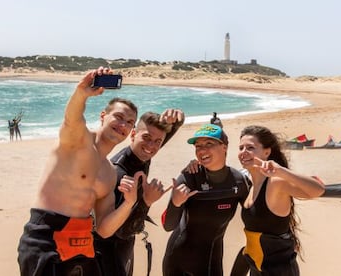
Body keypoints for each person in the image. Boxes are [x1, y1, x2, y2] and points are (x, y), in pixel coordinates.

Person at [17, 67, 139, 276]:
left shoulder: (109, 173)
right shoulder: (78, 140)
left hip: (82, 241)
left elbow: (103, 228)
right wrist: (81, 93)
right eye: (118, 117)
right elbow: (71, 119)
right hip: (45, 237)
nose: (123, 125)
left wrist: (128, 204)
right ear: (103, 116)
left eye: (129, 122)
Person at [94, 108, 185, 276]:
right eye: (147, 138)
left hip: (123, 250)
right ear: (133, 134)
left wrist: (177, 119)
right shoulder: (119, 174)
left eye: (158, 141)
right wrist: (147, 202)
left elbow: (157, 139)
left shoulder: (141, 155)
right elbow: (122, 231)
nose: (151, 146)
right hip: (108, 254)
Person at [234, 125, 325, 275]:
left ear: (267, 152)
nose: (244, 152)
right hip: (257, 269)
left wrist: (281, 171)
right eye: (241, 147)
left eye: (250, 148)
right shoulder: (250, 186)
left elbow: (318, 190)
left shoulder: (275, 183)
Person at [162, 123, 250, 276]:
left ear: (224, 147)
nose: (202, 150)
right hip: (179, 262)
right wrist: (176, 202)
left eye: (209, 144)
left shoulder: (238, 181)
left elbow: (255, 217)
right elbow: (169, 225)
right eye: (197, 146)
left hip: (212, 260)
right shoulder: (189, 177)